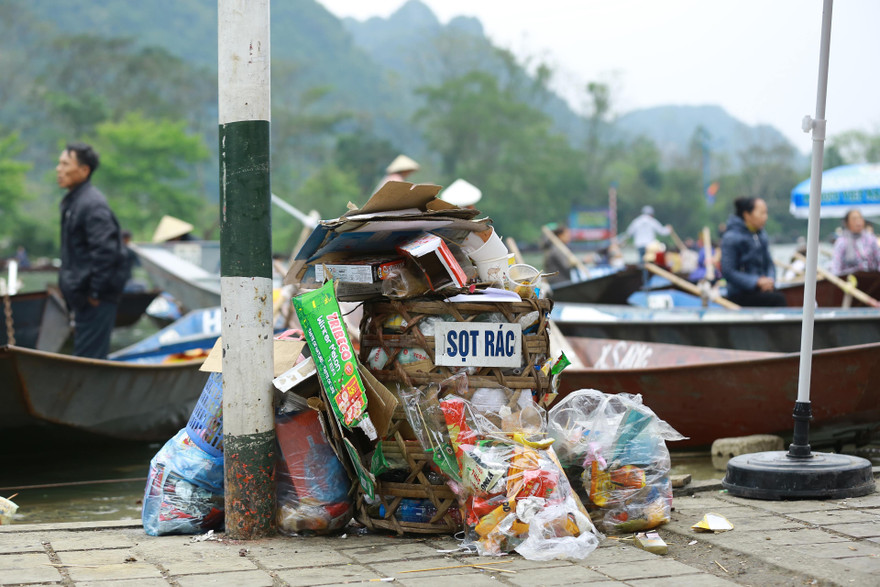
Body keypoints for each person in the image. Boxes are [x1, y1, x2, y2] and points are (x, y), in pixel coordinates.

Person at [57, 142, 127, 359]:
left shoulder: (92, 204)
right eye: (59, 163)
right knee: (86, 356)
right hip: (83, 297)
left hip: (95, 298)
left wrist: (95, 293)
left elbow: (106, 251)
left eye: (65, 164)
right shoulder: (75, 201)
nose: (58, 169)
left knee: (89, 360)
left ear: (84, 170)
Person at [720, 197, 786, 307]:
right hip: (740, 294)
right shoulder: (730, 237)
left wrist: (769, 280)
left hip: (761, 291)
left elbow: (769, 264)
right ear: (747, 215)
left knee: (778, 296)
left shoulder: (761, 235)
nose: (765, 217)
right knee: (778, 299)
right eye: (762, 213)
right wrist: (756, 282)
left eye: (766, 213)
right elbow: (728, 271)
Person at [831, 209, 880, 275]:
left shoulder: (871, 239)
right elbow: (836, 268)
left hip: (872, 279)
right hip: (849, 281)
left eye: (860, 218)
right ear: (847, 223)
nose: (858, 222)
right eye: (854, 219)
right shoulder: (841, 242)